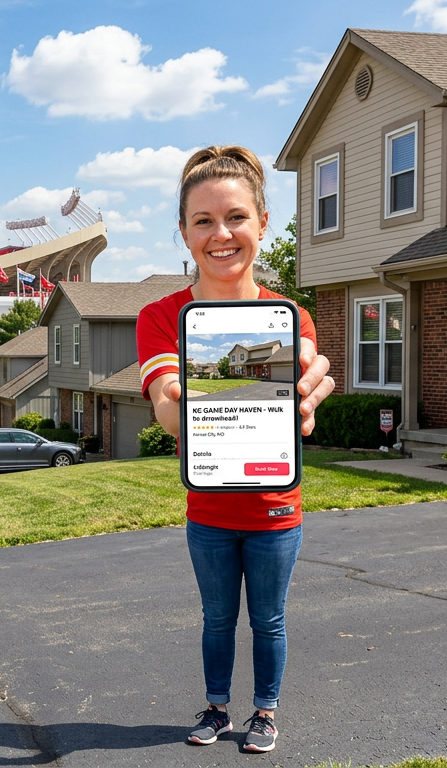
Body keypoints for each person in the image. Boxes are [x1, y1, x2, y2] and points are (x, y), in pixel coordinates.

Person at [138, 145, 336, 754]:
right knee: (217, 620)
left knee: (269, 621)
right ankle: (217, 708)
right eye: (203, 221)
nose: (221, 234)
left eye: (236, 217)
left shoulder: (289, 317)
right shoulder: (163, 316)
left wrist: (306, 397)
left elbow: (303, 390)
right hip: (210, 510)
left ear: (263, 223)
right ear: (183, 232)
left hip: (277, 505)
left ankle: (266, 713)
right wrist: (179, 397)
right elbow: (168, 411)